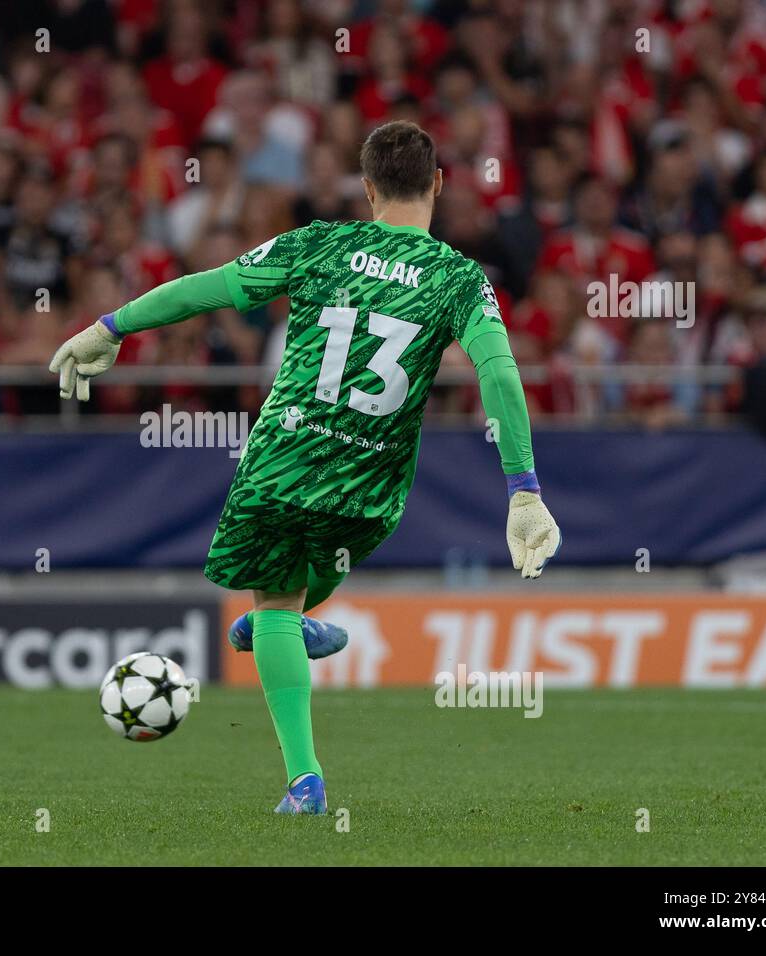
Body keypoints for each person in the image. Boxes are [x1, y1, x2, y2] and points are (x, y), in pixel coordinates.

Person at [49, 121, 561, 814]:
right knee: (290, 598)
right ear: (439, 184)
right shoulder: (459, 278)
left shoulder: (319, 244)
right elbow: (499, 372)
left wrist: (111, 326)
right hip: (372, 480)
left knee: (272, 602)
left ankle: (305, 779)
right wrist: (523, 488)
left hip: (284, 461)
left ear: (368, 187)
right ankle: (288, 630)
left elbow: (210, 289)